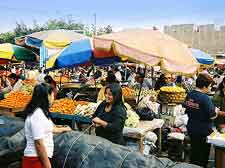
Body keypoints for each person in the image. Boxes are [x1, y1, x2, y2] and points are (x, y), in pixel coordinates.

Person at [22, 83, 71, 168]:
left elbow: (51, 128)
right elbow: (38, 143)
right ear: (46, 96)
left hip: (39, 158)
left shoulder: (42, 112)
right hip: (35, 160)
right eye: (52, 96)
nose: (53, 99)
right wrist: (47, 165)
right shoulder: (37, 114)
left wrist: (64, 129)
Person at [183, 73, 225, 168]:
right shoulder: (205, 98)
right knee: (202, 158)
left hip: (191, 128)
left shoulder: (190, 94)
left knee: (194, 154)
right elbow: (212, 116)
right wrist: (216, 111)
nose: (210, 88)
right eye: (210, 86)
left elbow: (186, 108)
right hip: (203, 131)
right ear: (205, 86)